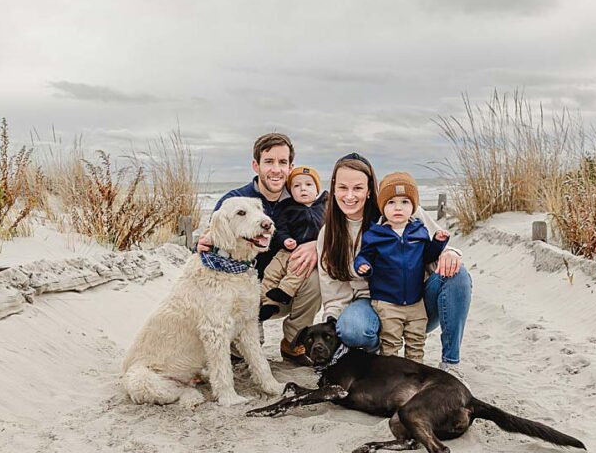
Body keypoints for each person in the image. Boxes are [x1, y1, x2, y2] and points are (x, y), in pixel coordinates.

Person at [316, 153, 472, 375]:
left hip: (414, 301)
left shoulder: (399, 207)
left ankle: (450, 363)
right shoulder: (329, 234)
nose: (349, 196)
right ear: (333, 189)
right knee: (351, 328)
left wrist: (450, 253)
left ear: (370, 189)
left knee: (458, 274)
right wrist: (334, 329)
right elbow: (333, 293)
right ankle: (380, 352)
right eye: (342, 188)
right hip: (369, 305)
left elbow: (438, 241)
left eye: (358, 188)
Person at [199, 132, 318, 366]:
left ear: (290, 166)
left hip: (282, 290)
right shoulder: (234, 201)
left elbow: (330, 228)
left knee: (314, 278)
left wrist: (317, 245)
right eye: (269, 162)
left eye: (283, 162)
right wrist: (201, 243)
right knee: (241, 354)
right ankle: (243, 335)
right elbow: (211, 239)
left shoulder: (300, 199)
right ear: (256, 165)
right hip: (240, 293)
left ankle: (293, 342)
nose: (276, 169)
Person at [354, 172, 449, 362]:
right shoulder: (375, 234)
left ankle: (414, 374)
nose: (398, 207)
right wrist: (363, 265)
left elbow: (427, 256)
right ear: (382, 207)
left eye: (405, 202)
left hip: (415, 301)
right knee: (390, 343)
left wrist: (438, 244)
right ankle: (390, 376)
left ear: (413, 206)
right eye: (391, 203)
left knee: (416, 342)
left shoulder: (418, 230)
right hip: (387, 303)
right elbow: (364, 256)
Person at [259, 166, 328, 322]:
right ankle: (266, 303)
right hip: (286, 251)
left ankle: (285, 292)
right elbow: (279, 229)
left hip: (308, 254)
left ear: (317, 189)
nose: (303, 189)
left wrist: (319, 245)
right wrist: (285, 239)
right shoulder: (287, 208)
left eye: (309, 185)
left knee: (297, 271)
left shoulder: (325, 207)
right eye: (296, 186)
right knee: (271, 272)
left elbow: (332, 231)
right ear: (290, 191)